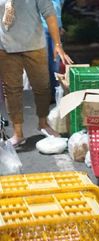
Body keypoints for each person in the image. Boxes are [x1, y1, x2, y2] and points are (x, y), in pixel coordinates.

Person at [0, 0, 73, 146]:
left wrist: (57, 44)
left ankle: (43, 123)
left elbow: (49, 13)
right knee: (12, 90)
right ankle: (18, 133)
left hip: (34, 46)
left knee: (42, 87)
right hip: (6, 47)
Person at [41, 0, 64, 97]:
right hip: (42, 27)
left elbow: (59, 8)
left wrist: (60, 25)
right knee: (45, 60)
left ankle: (54, 92)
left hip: (55, 28)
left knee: (55, 61)